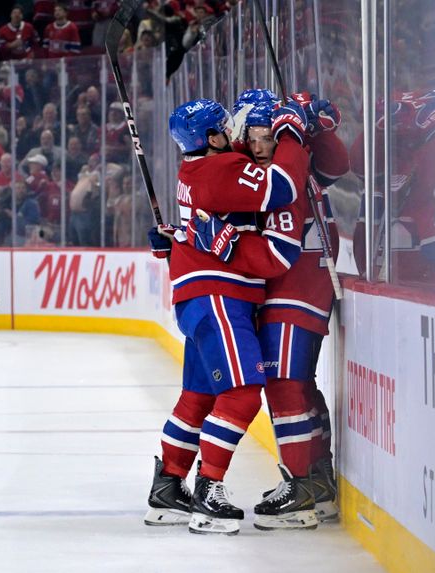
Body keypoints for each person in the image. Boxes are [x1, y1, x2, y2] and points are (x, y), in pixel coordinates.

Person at [143, 97, 309, 535]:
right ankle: (208, 491)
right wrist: (291, 130)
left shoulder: (198, 168)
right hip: (220, 295)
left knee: (197, 397)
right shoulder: (222, 170)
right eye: (226, 128)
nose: (236, 133)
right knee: (242, 393)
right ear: (213, 138)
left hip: (196, 297)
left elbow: (205, 217)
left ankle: (168, 488)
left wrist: (177, 238)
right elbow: (283, 187)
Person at [228, 90, 348, 527]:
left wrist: (315, 128)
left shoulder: (284, 173)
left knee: (283, 386)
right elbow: (336, 167)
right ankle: (316, 482)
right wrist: (314, 129)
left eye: (264, 135)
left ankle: (300, 490)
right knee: (298, 386)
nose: (255, 145)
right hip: (302, 288)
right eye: (250, 136)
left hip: (294, 290)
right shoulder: (295, 160)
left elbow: (334, 166)